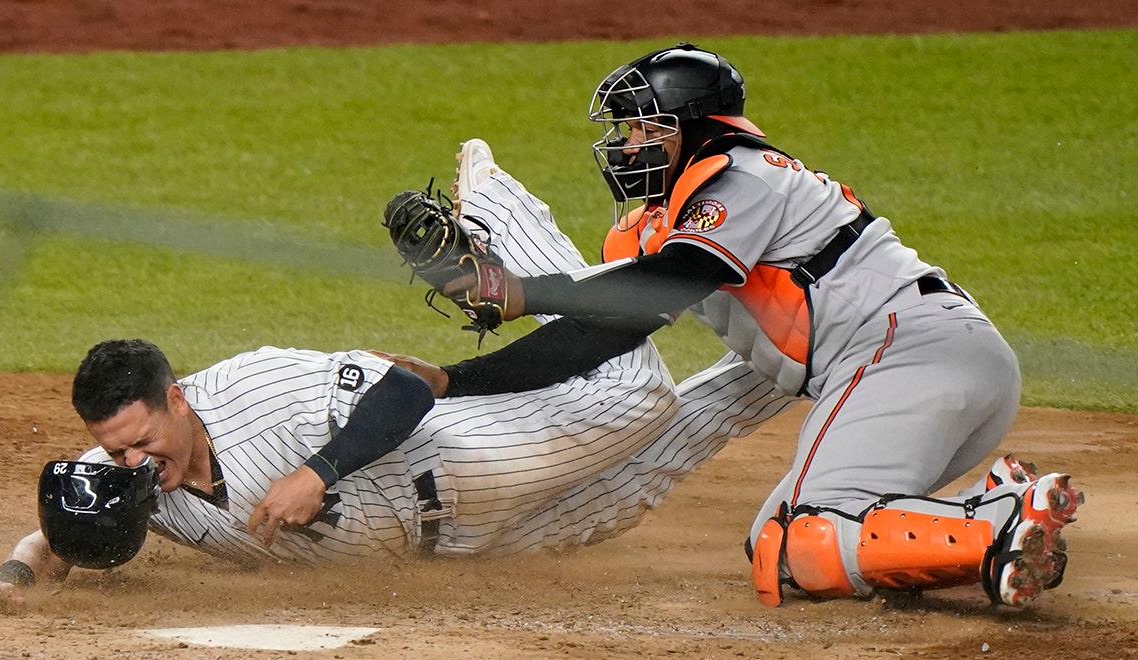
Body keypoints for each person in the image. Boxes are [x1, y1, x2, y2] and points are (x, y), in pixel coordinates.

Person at [436, 43, 1084, 608]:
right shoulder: (677, 218)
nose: (625, 145)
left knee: (811, 535)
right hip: (927, 372)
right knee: (775, 548)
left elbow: (670, 280)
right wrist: (455, 377)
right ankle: (994, 508)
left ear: (693, 129)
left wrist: (523, 292)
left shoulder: (744, 178)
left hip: (905, 357)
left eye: (642, 129)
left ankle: (998, 523)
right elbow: (598, 331)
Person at [0, 180, 795, 613]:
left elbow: (407, 384)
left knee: (638, 392)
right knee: (654, 468)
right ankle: (795, 358)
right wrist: (17, 573)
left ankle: (505, 225)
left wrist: (319, 470)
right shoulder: (130, 473)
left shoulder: (257, 389)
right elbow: (59, 527)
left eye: (139, 439)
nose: (130, 461)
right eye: (115, 448)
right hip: (471, 549)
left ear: (176, 399)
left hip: (462, 463)